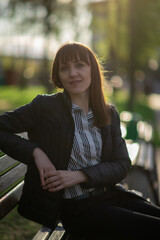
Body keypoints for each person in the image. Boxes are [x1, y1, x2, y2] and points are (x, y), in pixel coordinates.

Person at [0, 41, 160, 240]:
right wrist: (36, 152)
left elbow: (122, 164)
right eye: (65, 68)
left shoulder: (108, 113)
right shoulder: (45, 107)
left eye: (79, 65)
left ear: (92, 70)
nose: (73, 73)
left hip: (112, 195)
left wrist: (80, 176)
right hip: (79, 209)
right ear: (58, 76)